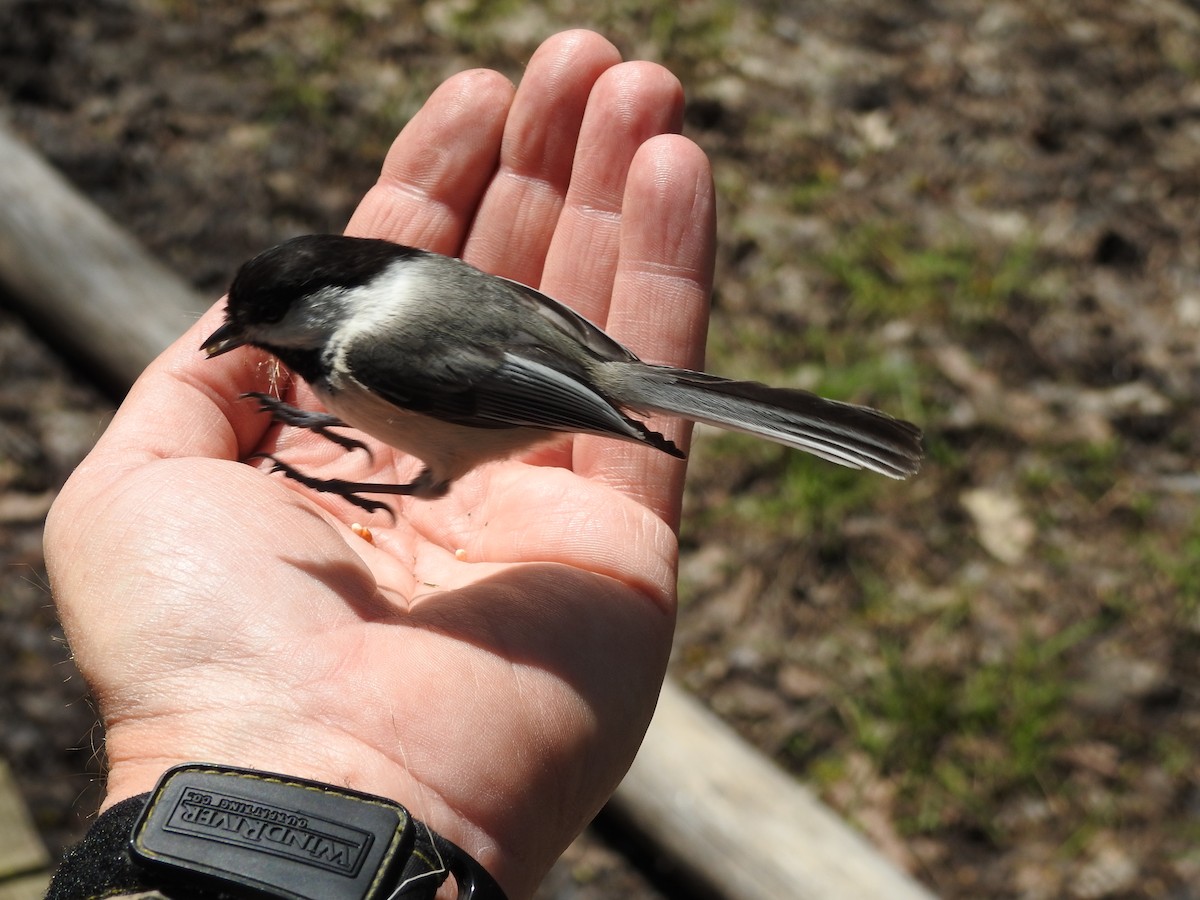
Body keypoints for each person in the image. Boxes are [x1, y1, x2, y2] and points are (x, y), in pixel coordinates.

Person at [43, 29, 715, 900]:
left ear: (332, 301)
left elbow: (514, 396)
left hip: (553, 382)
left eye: (265, 320)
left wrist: (613, 415)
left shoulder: (372, 350)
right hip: (558, 353)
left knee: (411, 479)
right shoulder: (389, 306)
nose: (240, 339)